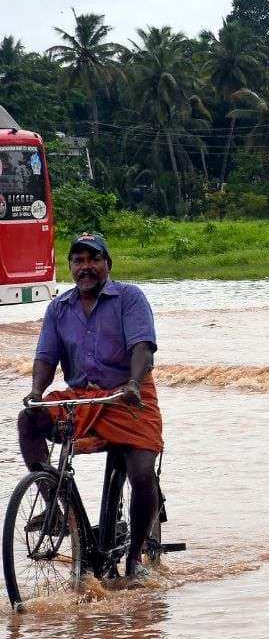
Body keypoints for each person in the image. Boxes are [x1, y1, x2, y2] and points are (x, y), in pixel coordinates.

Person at [18, 232, 163, 584]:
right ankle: (58, 508)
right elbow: (45, 357)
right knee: (28, 420)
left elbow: (143, 347)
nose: (86, 267)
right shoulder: (58, 308)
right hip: (80, 396)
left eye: (93, 259)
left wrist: (132, 383)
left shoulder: (129, 297)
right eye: (78, 261)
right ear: (70, 267)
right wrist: (37, 391)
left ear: (107, 265)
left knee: (142, 474)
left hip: (128, 395)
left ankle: (133, 560)